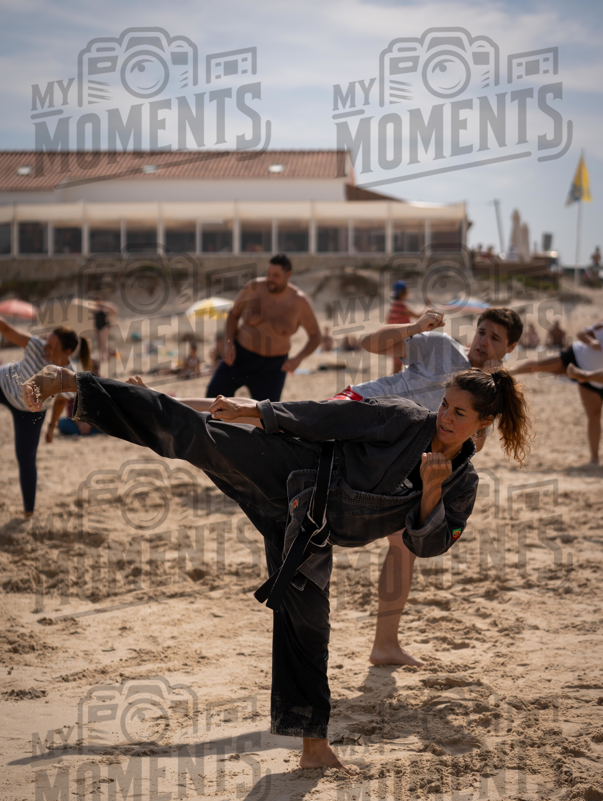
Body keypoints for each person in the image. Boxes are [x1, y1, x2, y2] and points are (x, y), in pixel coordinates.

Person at [23, 363, 532, 771]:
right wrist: (257, 411)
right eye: (445, 404)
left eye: (459, 413)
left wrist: (432, 490)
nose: (445, 417)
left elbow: (430, 544)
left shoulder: (462, 485)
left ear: (483, 423)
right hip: (292, 470)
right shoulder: (405, 419)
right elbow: (327, 417)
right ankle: (76, 383)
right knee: (195, 435)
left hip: (309, 528)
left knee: (308, 625)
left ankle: (313, 746)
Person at [335, 305, 524, 666]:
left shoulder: (490, 392)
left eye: (495, 338)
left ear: (510, 347)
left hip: (398, 463)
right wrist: (415, 326)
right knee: (270, 427)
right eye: (481, 331)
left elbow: (471, 447)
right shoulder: (441, 346)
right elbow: (369, 343)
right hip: (357, 414)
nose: (483, 341)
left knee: (404, 546)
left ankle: (385, 645)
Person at [206, 254, 321, 402]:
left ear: (288, 275)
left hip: (272, 367)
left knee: (265, 413)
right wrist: (228, 344)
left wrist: (299, 358)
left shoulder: (299, 302)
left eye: (276, 275)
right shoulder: (253, 288)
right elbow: (233, 315)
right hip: (239, 357)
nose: (270, 279)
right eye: (268, 274)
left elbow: (315, 335)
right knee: (212, 400)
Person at [0, 321, 81, 517]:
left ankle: (28, 512)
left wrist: (51, 428)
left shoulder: (68, 376)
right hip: (3, 385)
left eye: (51, 346)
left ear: (67, 351)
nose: (46, 348)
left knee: (26, 458)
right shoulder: (36, 345)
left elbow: (60, 402)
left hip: (30, 412)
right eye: (47, 342)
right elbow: (7, 329)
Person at [513, 320, 603, 464]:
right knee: (541, 365)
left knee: (595, 415)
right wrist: (592, 342)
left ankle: (594, 458)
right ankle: (508, 372)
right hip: (578, 359)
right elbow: (581, 334)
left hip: (593, 376)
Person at [386, 280, 418, 374]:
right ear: (403, 293)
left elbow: (387, 320)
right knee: (401, 368)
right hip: (402, 340)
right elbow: (418, 316)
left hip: (394, 339)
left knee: (397, 367)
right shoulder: (402, 307)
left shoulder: (393, 306)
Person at [93, 298, 118, 370]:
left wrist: (110, 317)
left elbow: (115, 311)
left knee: (103, 342)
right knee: (99, 343)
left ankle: (105, 357)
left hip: (104, 327)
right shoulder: (96, 307)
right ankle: (102, 356)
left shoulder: (106, 306)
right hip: (97, 327)